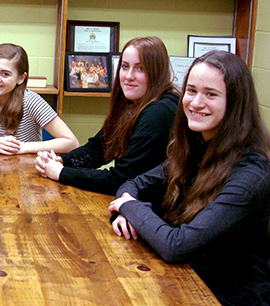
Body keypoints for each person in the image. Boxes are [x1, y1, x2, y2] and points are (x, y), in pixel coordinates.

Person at [108, 50, 270, 306]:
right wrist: (128, 206)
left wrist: (130, 208)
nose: (195, 103)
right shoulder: (196, 146)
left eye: (211, 94)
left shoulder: (252, 173)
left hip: (230, 305)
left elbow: (177, 246)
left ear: (236, 103)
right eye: (191, 91)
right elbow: (133, 184)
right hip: (184, 282)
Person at [34, 37, 178, 195]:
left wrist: (61, 173)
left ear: (157, 71)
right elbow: (98, 148)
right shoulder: (131, 104)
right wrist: (61, 161)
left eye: (140, 68)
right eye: (125, 67)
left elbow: (121, 180)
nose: (129, 76)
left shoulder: (159, 113)